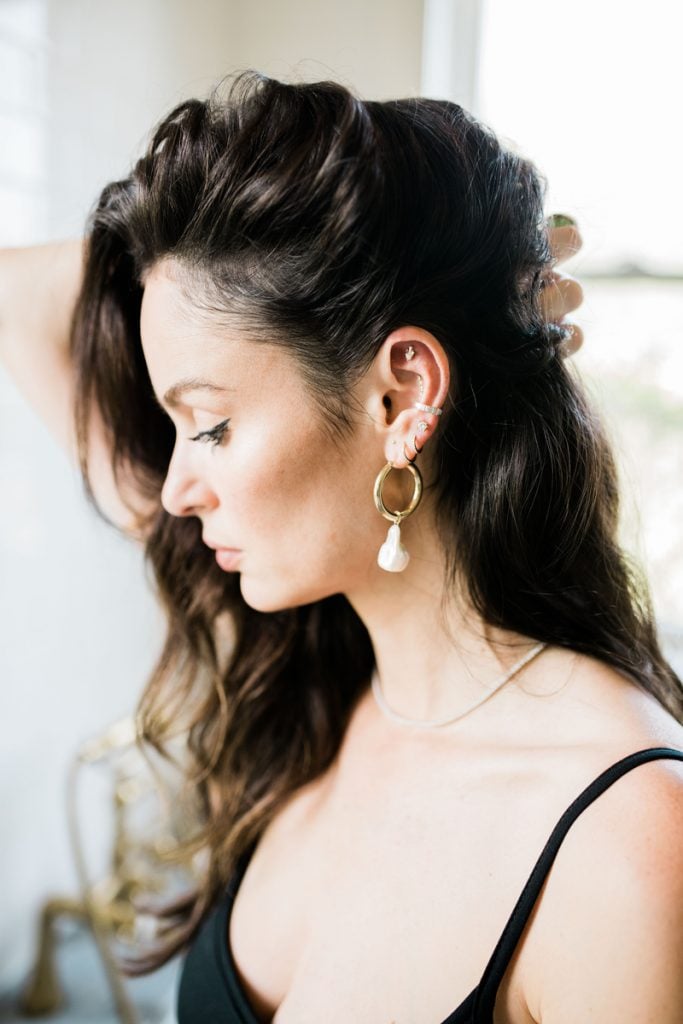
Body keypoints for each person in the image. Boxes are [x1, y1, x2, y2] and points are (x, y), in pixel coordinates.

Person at [1, 69, 682, 1024]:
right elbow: (15, 287)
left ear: (401, 398)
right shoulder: (300, 673)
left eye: (210, 425)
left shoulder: (626, 840)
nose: (178, 490)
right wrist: (471, 278)